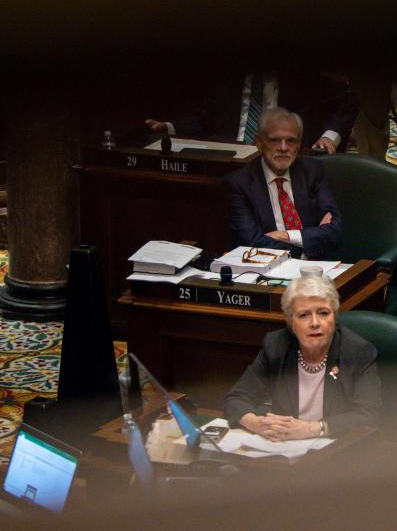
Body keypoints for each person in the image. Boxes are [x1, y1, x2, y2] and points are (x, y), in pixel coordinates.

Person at [224, 275, 380, 440]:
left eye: (323, 313)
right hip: (284, 449)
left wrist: (314, 429)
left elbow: (369, 414)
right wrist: (257, 424)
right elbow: (236, 398)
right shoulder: (277, 346)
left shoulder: (357, 352)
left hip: (337, 450)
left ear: (334, 317)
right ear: (291, 322)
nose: (315, 323)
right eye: (304, 315)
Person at [145, 66, 358, 154]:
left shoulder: (300, 76)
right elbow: (205, 120)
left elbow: (347, 100)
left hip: (283, 157)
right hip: (231, 157)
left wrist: (329, 137)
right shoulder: (227, 77)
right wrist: (170, 127)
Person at [223, 108, 344, 258]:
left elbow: (335, 231)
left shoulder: (312, 171)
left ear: (299, 144)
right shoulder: (239, 183)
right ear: (259, 143)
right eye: (275, 140)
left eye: (291, 141)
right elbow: (251, 242)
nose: (283, 148)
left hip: (316, 268)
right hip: (266, 269)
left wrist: (284, 235)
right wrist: (307, 245)